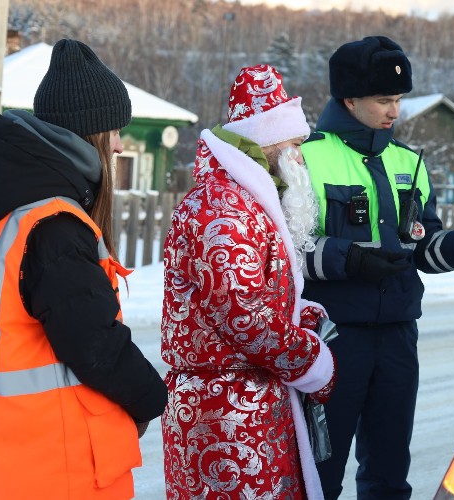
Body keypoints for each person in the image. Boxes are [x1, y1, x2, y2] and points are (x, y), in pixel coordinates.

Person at [299, 36, 454, 499]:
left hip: (398, 334)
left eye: (398, 99)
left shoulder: (410, 162)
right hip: (335, 336)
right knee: (320, 471)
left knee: (390, 470)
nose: (393, 110)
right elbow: (289, 251)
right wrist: (350, 258)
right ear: (348, 99)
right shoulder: (306, 158)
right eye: (383, 100)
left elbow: (421, 246)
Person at [0, 39, 167, 498]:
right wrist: (150, 396)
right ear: (89, 135)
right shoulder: (53, 223)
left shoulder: (6, 198)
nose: (121, 147)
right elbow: (93, 343)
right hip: (51, 461)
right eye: (114, 132)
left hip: (5, 453)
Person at [161, 64, 336, 500]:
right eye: (295, 144)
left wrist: (299, 313)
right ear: (270, 141)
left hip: (245, 402)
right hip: (224, 414)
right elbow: (242, 314)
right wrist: (313, 362)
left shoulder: (242, 198)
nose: (299, 156)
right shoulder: (223, 207)